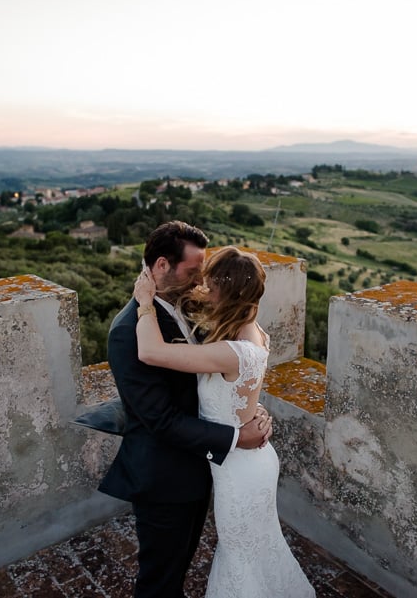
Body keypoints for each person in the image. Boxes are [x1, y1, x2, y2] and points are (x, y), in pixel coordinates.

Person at [99, 222, 273, 598]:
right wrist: (236, 436)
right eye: (195, 272)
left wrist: (249, 410)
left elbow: (230, 370)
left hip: (201, 468)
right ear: (162, 265)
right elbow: (160, 419)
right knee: (159, 580)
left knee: (180, 566)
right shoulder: (128, 330)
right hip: (164, 479)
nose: (202, 282)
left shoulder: (189, 307)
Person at [132, 245, 315, 598]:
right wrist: (256, 411)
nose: (204, 288)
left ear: (226, 292)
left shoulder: (230, 352)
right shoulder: (253, 332)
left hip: (239, 472)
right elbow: (242, 394)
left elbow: (150, 352)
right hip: (253, 460)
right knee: (259, 547)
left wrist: (144, 303)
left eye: (211, 284)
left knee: (240, 556)